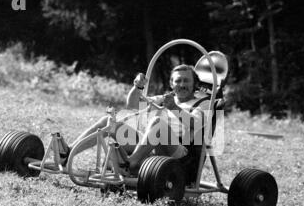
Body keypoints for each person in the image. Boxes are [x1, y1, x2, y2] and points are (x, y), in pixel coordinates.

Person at [59, 64, 211, 174]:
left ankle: (131, 163)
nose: (182, 84)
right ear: (172, 83)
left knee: (158, 123)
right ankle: (68, 153)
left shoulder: (203, 102)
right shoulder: (166, 98)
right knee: (108, 122)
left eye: (186, 81)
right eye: (178, 81)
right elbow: (132, 104)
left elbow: (196, 124)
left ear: (194, 84)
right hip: (149, 146)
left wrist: (175, 109)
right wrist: (138, 87)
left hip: (179, 152)